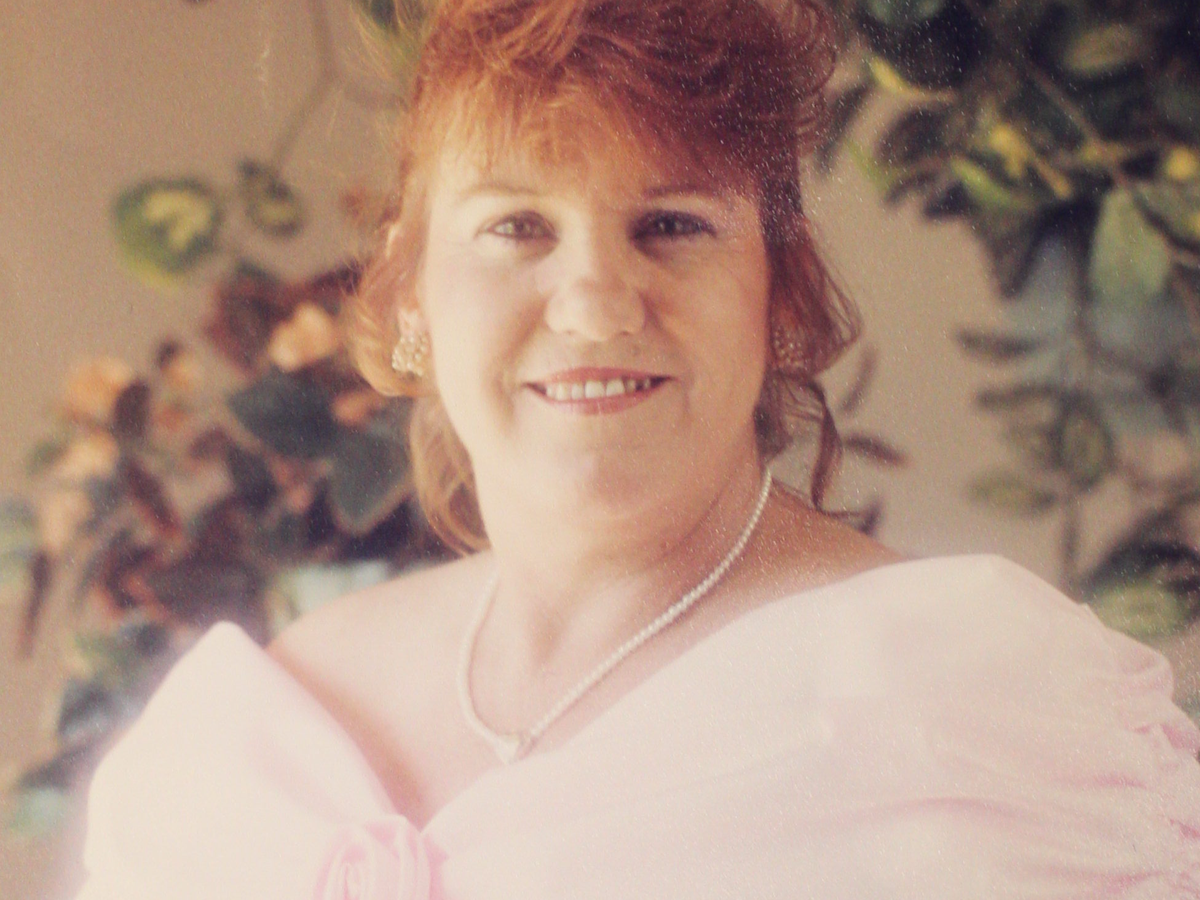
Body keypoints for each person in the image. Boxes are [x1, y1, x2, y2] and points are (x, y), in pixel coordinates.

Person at [73, 0, 1200, 897]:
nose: (597, 303)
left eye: (672, 225)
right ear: (410, 291)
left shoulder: (981, 711)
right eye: (517, 226)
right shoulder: (281, 720)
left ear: (781, 296)